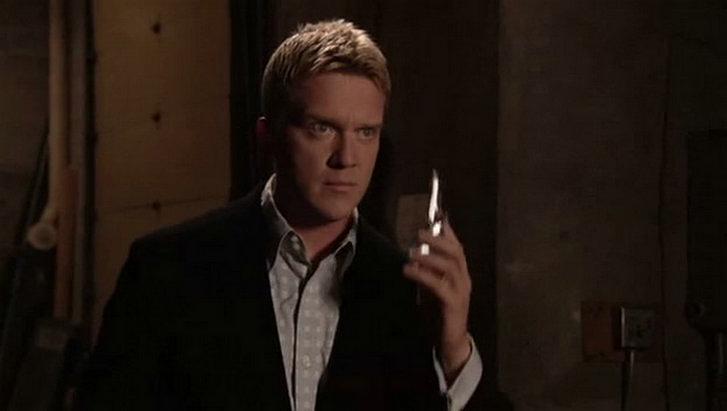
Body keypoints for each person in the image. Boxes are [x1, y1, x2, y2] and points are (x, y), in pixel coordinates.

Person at [76, 19, 483, 410]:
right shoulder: (168, 269)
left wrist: (454, 352)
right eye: (322, 128)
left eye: (365, 132)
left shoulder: (404, 287)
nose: (347, 158)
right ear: (267, 137)